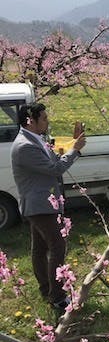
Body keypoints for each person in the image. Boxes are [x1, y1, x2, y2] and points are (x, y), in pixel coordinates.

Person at [10, 103, 86, 311]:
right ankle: (58, 296)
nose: (47, 121)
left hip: (41, 203)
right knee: (57, 246)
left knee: (40, 249)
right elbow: (55, 168)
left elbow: (53, 158)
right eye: (43, 118)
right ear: (30, 121)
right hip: (41, 205)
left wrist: (72, 142)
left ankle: (47, 290)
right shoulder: (25, 146)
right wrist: (75, 150)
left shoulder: (35, 140)